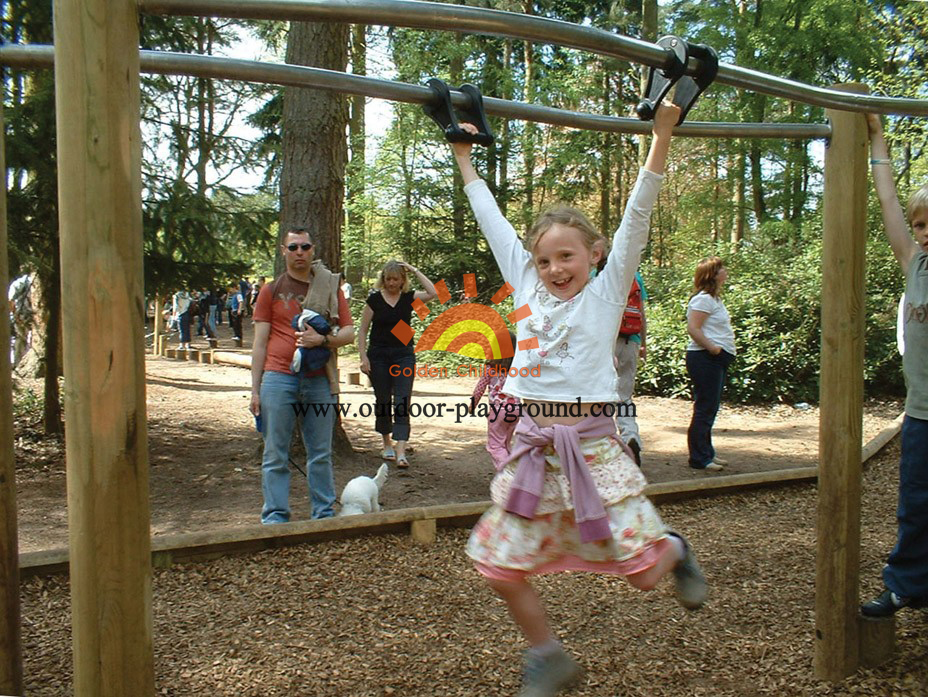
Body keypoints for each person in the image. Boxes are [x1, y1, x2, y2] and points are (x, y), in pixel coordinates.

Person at [451, 102, 707, 697]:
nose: (553, 268)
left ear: (594, 255)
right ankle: (548, 655)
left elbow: (639, 213)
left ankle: (674, 548)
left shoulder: (607, 292)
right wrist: (465, 159)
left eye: (566, 256)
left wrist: (662, 136)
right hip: (535, 451)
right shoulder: (526, 287)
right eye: (542, 260)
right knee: (497, 563)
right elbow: (492, 222)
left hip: (592, 449)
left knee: (643, 575)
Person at [859, 114, 928, 617]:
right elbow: (888, 203)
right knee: (916, 504)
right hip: (922, 411)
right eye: (921, 223)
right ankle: (907, 584)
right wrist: (878, 138)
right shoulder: (915, 263)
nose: (923, 233)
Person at [249, 227, 355, 523]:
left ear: (312, 250)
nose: (299, 252)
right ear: (283, 251)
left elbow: (348, 331)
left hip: (319, 380)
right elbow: (259, 344)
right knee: (275, 453)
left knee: (320, 452)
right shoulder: (270, 291)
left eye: (305, 247)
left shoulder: (329, 286)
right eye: (293, 247)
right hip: (277, 378)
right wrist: (255, 390)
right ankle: (275, 517)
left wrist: (322, 341)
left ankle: (323, 514)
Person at [357, 261, 437, 468]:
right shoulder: (374, 300)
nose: (391, 283)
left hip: (403, 354)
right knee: (383, 400)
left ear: (402, 280)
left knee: (402, 400)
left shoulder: (409, 299)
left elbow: (433, 292)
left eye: (395, 279)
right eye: (388, 279)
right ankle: (386, 444)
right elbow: (363, 330)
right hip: (378, 355)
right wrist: (363, 357)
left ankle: (401, 449)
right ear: (383, 279)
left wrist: (415, 269)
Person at [685, 256, 735, 472]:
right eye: (721, 268)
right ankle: (699, 458)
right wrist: (713, 348)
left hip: (715, 359)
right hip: (705, 358)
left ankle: (707, 452)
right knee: (705, 408)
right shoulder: (703, 299)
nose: (725, 270)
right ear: (712, 274)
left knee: (710, 407)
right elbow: (693, 328)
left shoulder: (714, 300)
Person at [470, 331, 520, 470]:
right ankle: (512, 470)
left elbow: (479, 388)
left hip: (498, 412)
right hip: (516, 410)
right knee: (505, 443)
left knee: (495, 445)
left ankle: (507, 473)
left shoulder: (490, 368)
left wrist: (472, 405)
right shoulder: (518, 369)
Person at [615, 270, 647, 465]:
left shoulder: (594, 273)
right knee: (625, 396)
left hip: (605, 341)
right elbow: (642, 313)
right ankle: (630, 436)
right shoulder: (635, 276)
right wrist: (643, 344)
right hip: (631, 340)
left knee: (600, 396)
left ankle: (604, 443)